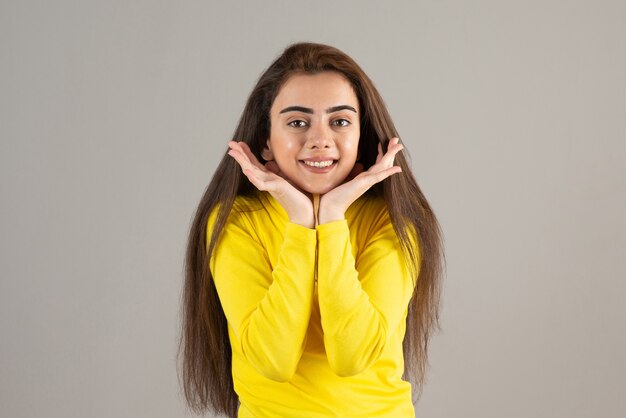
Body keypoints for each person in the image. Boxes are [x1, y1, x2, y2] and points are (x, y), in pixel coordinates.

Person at [179, 42, 444, 418]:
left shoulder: (395, 220)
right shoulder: (235, 220)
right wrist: (302, 225)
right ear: (266, 141)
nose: (320, 140)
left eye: (339, 121)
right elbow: (272, 361)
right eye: (297, 122)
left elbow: (353, 357)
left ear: (360, 135)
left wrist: (332, 218)